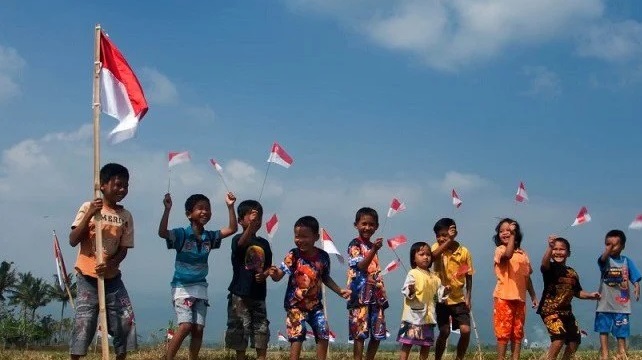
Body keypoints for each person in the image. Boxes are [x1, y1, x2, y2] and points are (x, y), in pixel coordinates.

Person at [158, 192, 237, 360]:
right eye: (200, 208)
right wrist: (167, 209)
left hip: (200, 287)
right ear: (189, 214)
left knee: (198, 329)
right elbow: (162, 232)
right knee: (186, 326)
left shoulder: (209, 237)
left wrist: (230, 207)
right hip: (182, 287)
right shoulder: (181, 234)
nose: (205, 212)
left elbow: (232, 229)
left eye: (207, 209)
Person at [68, 163, 136, 360]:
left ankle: (120, 355)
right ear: (103, 185)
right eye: (117, 185)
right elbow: (73, 240)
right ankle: (76, 356)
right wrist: (90, 213)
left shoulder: (125, 216)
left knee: (124, 318)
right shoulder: (88, 207)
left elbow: (124, 249)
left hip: (112, 277)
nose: (122, 190)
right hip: (87, 276)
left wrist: (111, 264)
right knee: (85, 321)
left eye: (126, 186)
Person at [270, 216, 351, 360]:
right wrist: (274, 273)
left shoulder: (323, 257)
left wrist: (339, 290)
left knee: (323, 331)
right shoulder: (293, 255)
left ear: (316, 237)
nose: (300, 240)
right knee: (297, 334)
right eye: (297, 236)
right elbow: (278, 277)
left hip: (315, 306)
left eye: (304, 236)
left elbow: (325, 278)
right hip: (295, 305)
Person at [537, 235, 600, 360]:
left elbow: (578, 292)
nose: (558, 252)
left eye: (562, 249)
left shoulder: (572, 273)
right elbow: (544, 263)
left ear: (568, 253)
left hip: (566, 312)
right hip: (550, 311)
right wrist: (549, 247)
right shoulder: (549, 268)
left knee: (575, 340)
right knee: (559, 338)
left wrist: (591, 295)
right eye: (555, 249)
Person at [225, 200, 273, 360]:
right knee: (240, 331)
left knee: (261, 330)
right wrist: (250, 227)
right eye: (251, 217)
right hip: (240, 294)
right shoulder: (238, 239)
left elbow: (268, 266)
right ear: (240, 221)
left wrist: (265, 274)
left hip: (259, 295)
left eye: (258, 218)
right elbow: (240, 245)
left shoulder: (264, 243)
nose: (255, 220)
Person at [492, 218, 538, 360]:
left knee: (517, 332)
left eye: (509, 230)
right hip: (504, 297)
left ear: (517, 233)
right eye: (502, 231)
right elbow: (508, 255)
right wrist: (511, 235)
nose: (505, 233)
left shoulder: (523, 254)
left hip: (520, 298)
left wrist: (533, 296)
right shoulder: (500, 250)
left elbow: (527, 277)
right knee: (503, 332)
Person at [346, 207, 389, 360]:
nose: (367, 228)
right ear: (356, 225)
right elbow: (361, 266)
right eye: (364, 224)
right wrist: (374, 249)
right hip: (359, 295)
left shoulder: (372, 246)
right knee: (360, 332)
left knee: (377, 333)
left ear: (376, 226)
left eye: (371, 224)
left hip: (376, 295)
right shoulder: (355, 245)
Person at [430, 218, 474, 360]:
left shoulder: (464, 252)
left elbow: (468, 275)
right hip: (441, 297)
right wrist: (448, 241)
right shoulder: (436, 247)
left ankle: (459, 357)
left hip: (459, 298)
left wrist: (468, 297)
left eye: (444, 234)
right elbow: (433, 257)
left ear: (454, 232)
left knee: (466, 331)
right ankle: (438, 357)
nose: (441, 238)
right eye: (438, 235)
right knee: (444, 331)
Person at [594, 229, 641, 360]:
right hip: (604, 303)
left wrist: (637, 286)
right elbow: (603, 259)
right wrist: (607, 251)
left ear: (623, 246)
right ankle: (604, 353)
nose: (611, 247)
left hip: (622, 303)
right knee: (603, 329)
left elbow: (634, 276)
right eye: (608, 244)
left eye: (614, 245)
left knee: (622, 329)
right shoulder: (604, 261)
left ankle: (622, 351)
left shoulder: (626, 261)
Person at [397, 241, 448, 360]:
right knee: (407, 343)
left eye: (428, 254)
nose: (426, 257)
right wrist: (411, 289)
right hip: (413, 317)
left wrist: (445, 292)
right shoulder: (413, 273)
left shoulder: (435, 277)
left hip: (428, 317)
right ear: (413, 258)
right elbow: (406, 291)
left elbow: (438, 296)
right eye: (421, 254)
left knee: (426, 345)